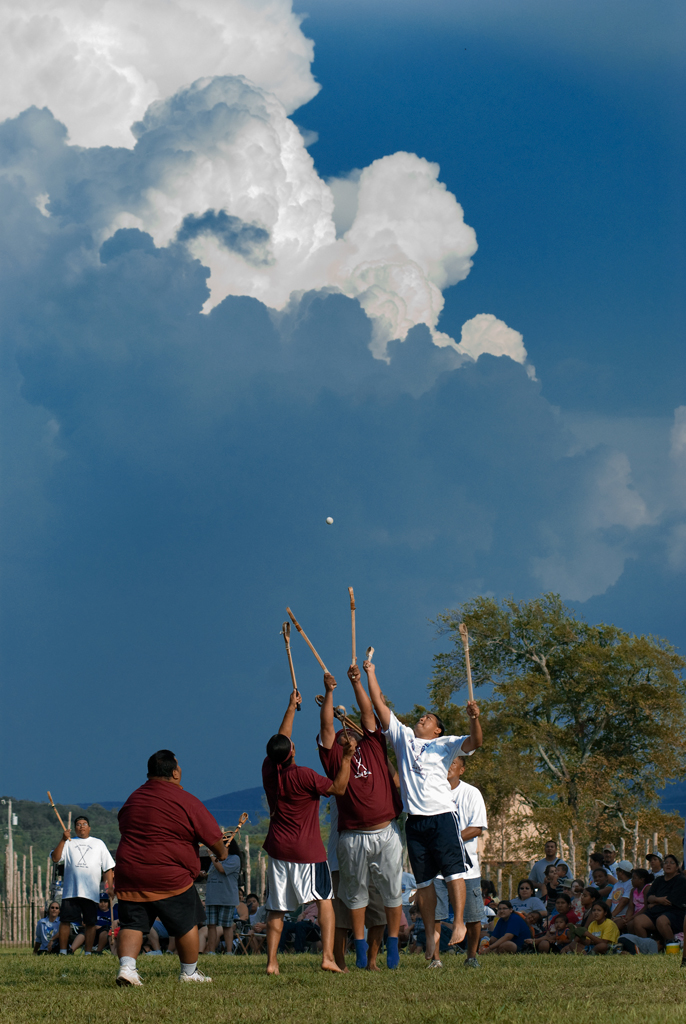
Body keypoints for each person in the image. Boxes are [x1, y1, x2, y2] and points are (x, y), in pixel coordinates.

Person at [363, 653, 483, 967]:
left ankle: (459, 922)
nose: (422, 719)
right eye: (422, 716)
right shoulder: (403, 738)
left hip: (442, 817)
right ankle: (431, 936)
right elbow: (379, 705)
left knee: (454, 872)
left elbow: (476, 742)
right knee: (425, 882)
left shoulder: (447, 744)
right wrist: (370, 672)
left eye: (428, 718)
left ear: (437, 730)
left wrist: (474, 717)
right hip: (415, 822)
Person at [113, 748, 228, 986]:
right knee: (186, 924)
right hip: (169, 875)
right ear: (175, 773)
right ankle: (189, 973)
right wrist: (223, 852)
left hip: (130, 872)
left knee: (132, 923)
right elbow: (213, 838)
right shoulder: (186, 800)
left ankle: (127, 969)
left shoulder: (134, 799)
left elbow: (124, 825)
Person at [262, 689, 356, 976]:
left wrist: (291, 707)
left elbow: (281, 739)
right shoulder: (304, 775)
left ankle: (272, 963)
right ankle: (327, 957)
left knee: (277, 908)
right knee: (324, 901)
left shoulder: (269, 769)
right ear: (292, 751)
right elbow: (339, 788)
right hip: (308, 852)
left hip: (278, 849)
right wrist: (346, 758)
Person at [318, 665, 404, 970]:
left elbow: (368, 712)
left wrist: (356, 683)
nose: (346, 734)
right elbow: (326, 726)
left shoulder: (373, 744)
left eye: (350, 732)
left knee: (392, 891)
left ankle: (392, 943)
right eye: (341, 736)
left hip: (386, 832)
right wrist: (329, 691)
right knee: (355, 895)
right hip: (352, 836)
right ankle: (359, 944)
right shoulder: (333, 760)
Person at [433, 754, 488, 968]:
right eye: (445, 763)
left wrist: (449, 840)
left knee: (473, 915)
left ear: (462, 770)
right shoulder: (431, 792)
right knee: (435, 914)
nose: (448, 766)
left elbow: (477, 828)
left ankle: (471, 957)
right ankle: (435, 959)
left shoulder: (471, 793)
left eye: (453, 763)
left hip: (466, 868)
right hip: (436, 867)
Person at [51, 814, 115, 956]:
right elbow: (55, 858)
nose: (81, 827)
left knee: (90, 923)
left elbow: (108, 867)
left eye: (84, 824)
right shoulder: (68, 842)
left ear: (89, 827)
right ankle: (63, 951)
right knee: (65, 921)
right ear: (75, 828)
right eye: (78, 824)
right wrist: (63, 839)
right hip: (71, 891)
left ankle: (88, 952)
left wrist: (110, 887)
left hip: (90, 892)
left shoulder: (98, 844)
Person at [631, 853, 686, 946]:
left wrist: (654, 902)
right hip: (656, 912)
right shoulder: (659, 880)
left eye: (672, 863)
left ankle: (672, 946)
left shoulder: (681, 880)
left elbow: (670, 900)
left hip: (675, 913)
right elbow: (649, 897)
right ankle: (648, 947)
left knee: (661, 921)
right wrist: (658, 900)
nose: (668, 865)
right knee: (638, 921)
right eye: (666, 863)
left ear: (677, 867)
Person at [205, 838, 241, 954]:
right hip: (212, 896)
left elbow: (221, 869)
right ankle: (211, 951)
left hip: (227, 897)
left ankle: (229, 951)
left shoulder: (234, 858)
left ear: (228, 847)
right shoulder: (215, 859)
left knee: (227, 925)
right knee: (211, 925)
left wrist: (211, 855)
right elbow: (213, 872)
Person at [622, 868, 653, 932]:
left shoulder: (647, 889)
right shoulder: (633, 890)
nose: (631, 880)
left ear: (641, 880)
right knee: (619, 923)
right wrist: (627, 918)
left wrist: (632, 918)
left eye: (634, 878)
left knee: (631, 924)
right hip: (634, 915)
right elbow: (631, 907)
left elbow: (646, 907)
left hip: (644, 915)